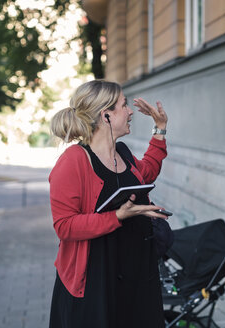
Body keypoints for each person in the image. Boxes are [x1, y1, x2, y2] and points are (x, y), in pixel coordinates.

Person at [48, 80, 170, 328]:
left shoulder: (123, 153)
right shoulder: (74, 160)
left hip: (138, 271)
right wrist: (117, 216)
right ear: (106, 116)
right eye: (124, 105)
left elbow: (147, 171)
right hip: (97, 279)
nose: (130, 111)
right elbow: (64, 226)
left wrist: (160, 128)